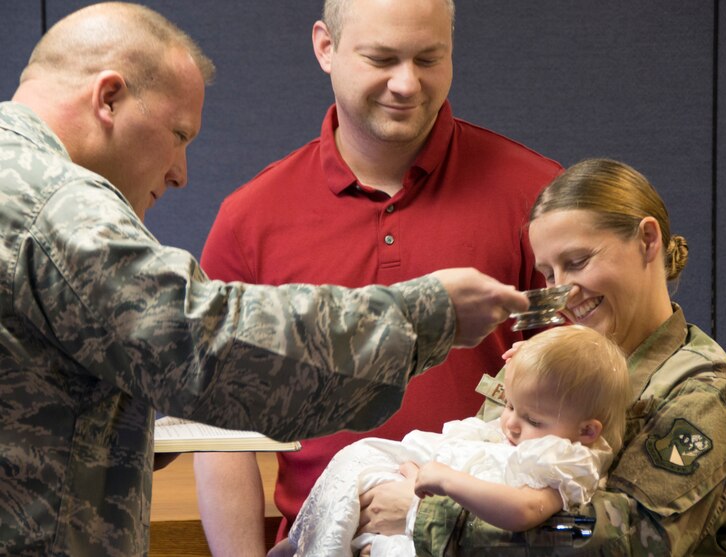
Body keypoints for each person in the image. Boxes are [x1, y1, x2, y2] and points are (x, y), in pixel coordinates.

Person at [0, 3, 534, 555]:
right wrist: (428, 315)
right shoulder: (50, 205)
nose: (181, 173)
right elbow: (208, 352)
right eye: (178, 133)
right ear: (108, 98)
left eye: (428, 58)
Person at [192, 0, 562, 554]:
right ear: (325, 47)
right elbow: (218, 431)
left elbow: (587, 403)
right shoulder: (251, 219)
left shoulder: (539, 198)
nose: (407, 84)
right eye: (381, 58)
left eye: (428, 58)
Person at [359, 158, 726, 556]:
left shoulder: (707, 395)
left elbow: (622, 540)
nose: (564, 292)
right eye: (549, 274)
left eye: (577, 262)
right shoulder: (551, 367)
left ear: (648, 241)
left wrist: (425, 516)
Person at [268, 325, 630, 557]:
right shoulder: (524, 435)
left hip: (442, 537)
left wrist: (446, 481)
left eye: (532, 419)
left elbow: (525, 512)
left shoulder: (564, 461)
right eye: (509, 405)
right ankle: (304, 540)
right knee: (359, 456)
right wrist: (418, 474)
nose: (511, 424)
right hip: (429, 500)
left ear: (587, 431)